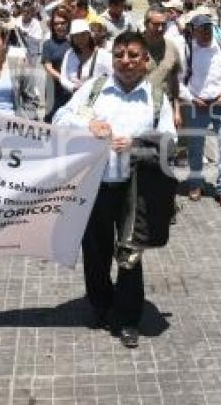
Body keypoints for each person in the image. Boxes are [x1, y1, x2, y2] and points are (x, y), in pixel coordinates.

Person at [53, 31, 177, 349]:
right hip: (94, 186)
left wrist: (135, 145)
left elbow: (170, 142)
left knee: (130, 255)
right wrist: (87, 126)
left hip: (135, 191)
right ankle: (99, 304)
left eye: (133, 55)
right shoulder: (95, 90)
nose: (125, 61)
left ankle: (127, 318)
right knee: (95, 252)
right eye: (119, 54)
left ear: (146, 60)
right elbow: (60, 117)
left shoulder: (156, 97)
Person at [178, 13, 221, 208]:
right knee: (196, 148)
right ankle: (196, 183)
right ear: (193, 31)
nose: (206, 32)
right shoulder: (187, 50)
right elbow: (179, 81)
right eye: (201, 29)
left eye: (208, 28)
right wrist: (191, 98)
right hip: (197, 105)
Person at [59, 19, 113, 94]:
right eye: (76, 36)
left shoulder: (103, 55)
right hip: (75, 98)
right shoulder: (69, 54)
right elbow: (63, 78)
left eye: (83, 34)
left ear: (89, 35)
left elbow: (114, 77)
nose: (80, 38)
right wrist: (73, 88)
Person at [41, 5, 73, 123]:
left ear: (68, 23)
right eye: (56, 24)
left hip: (72, 91)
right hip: (53, 90)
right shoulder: (48, 44)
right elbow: (47, 67)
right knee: (52, 122)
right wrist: (63, 79)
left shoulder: (75, 42)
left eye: (63, 23)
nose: (59, 26)